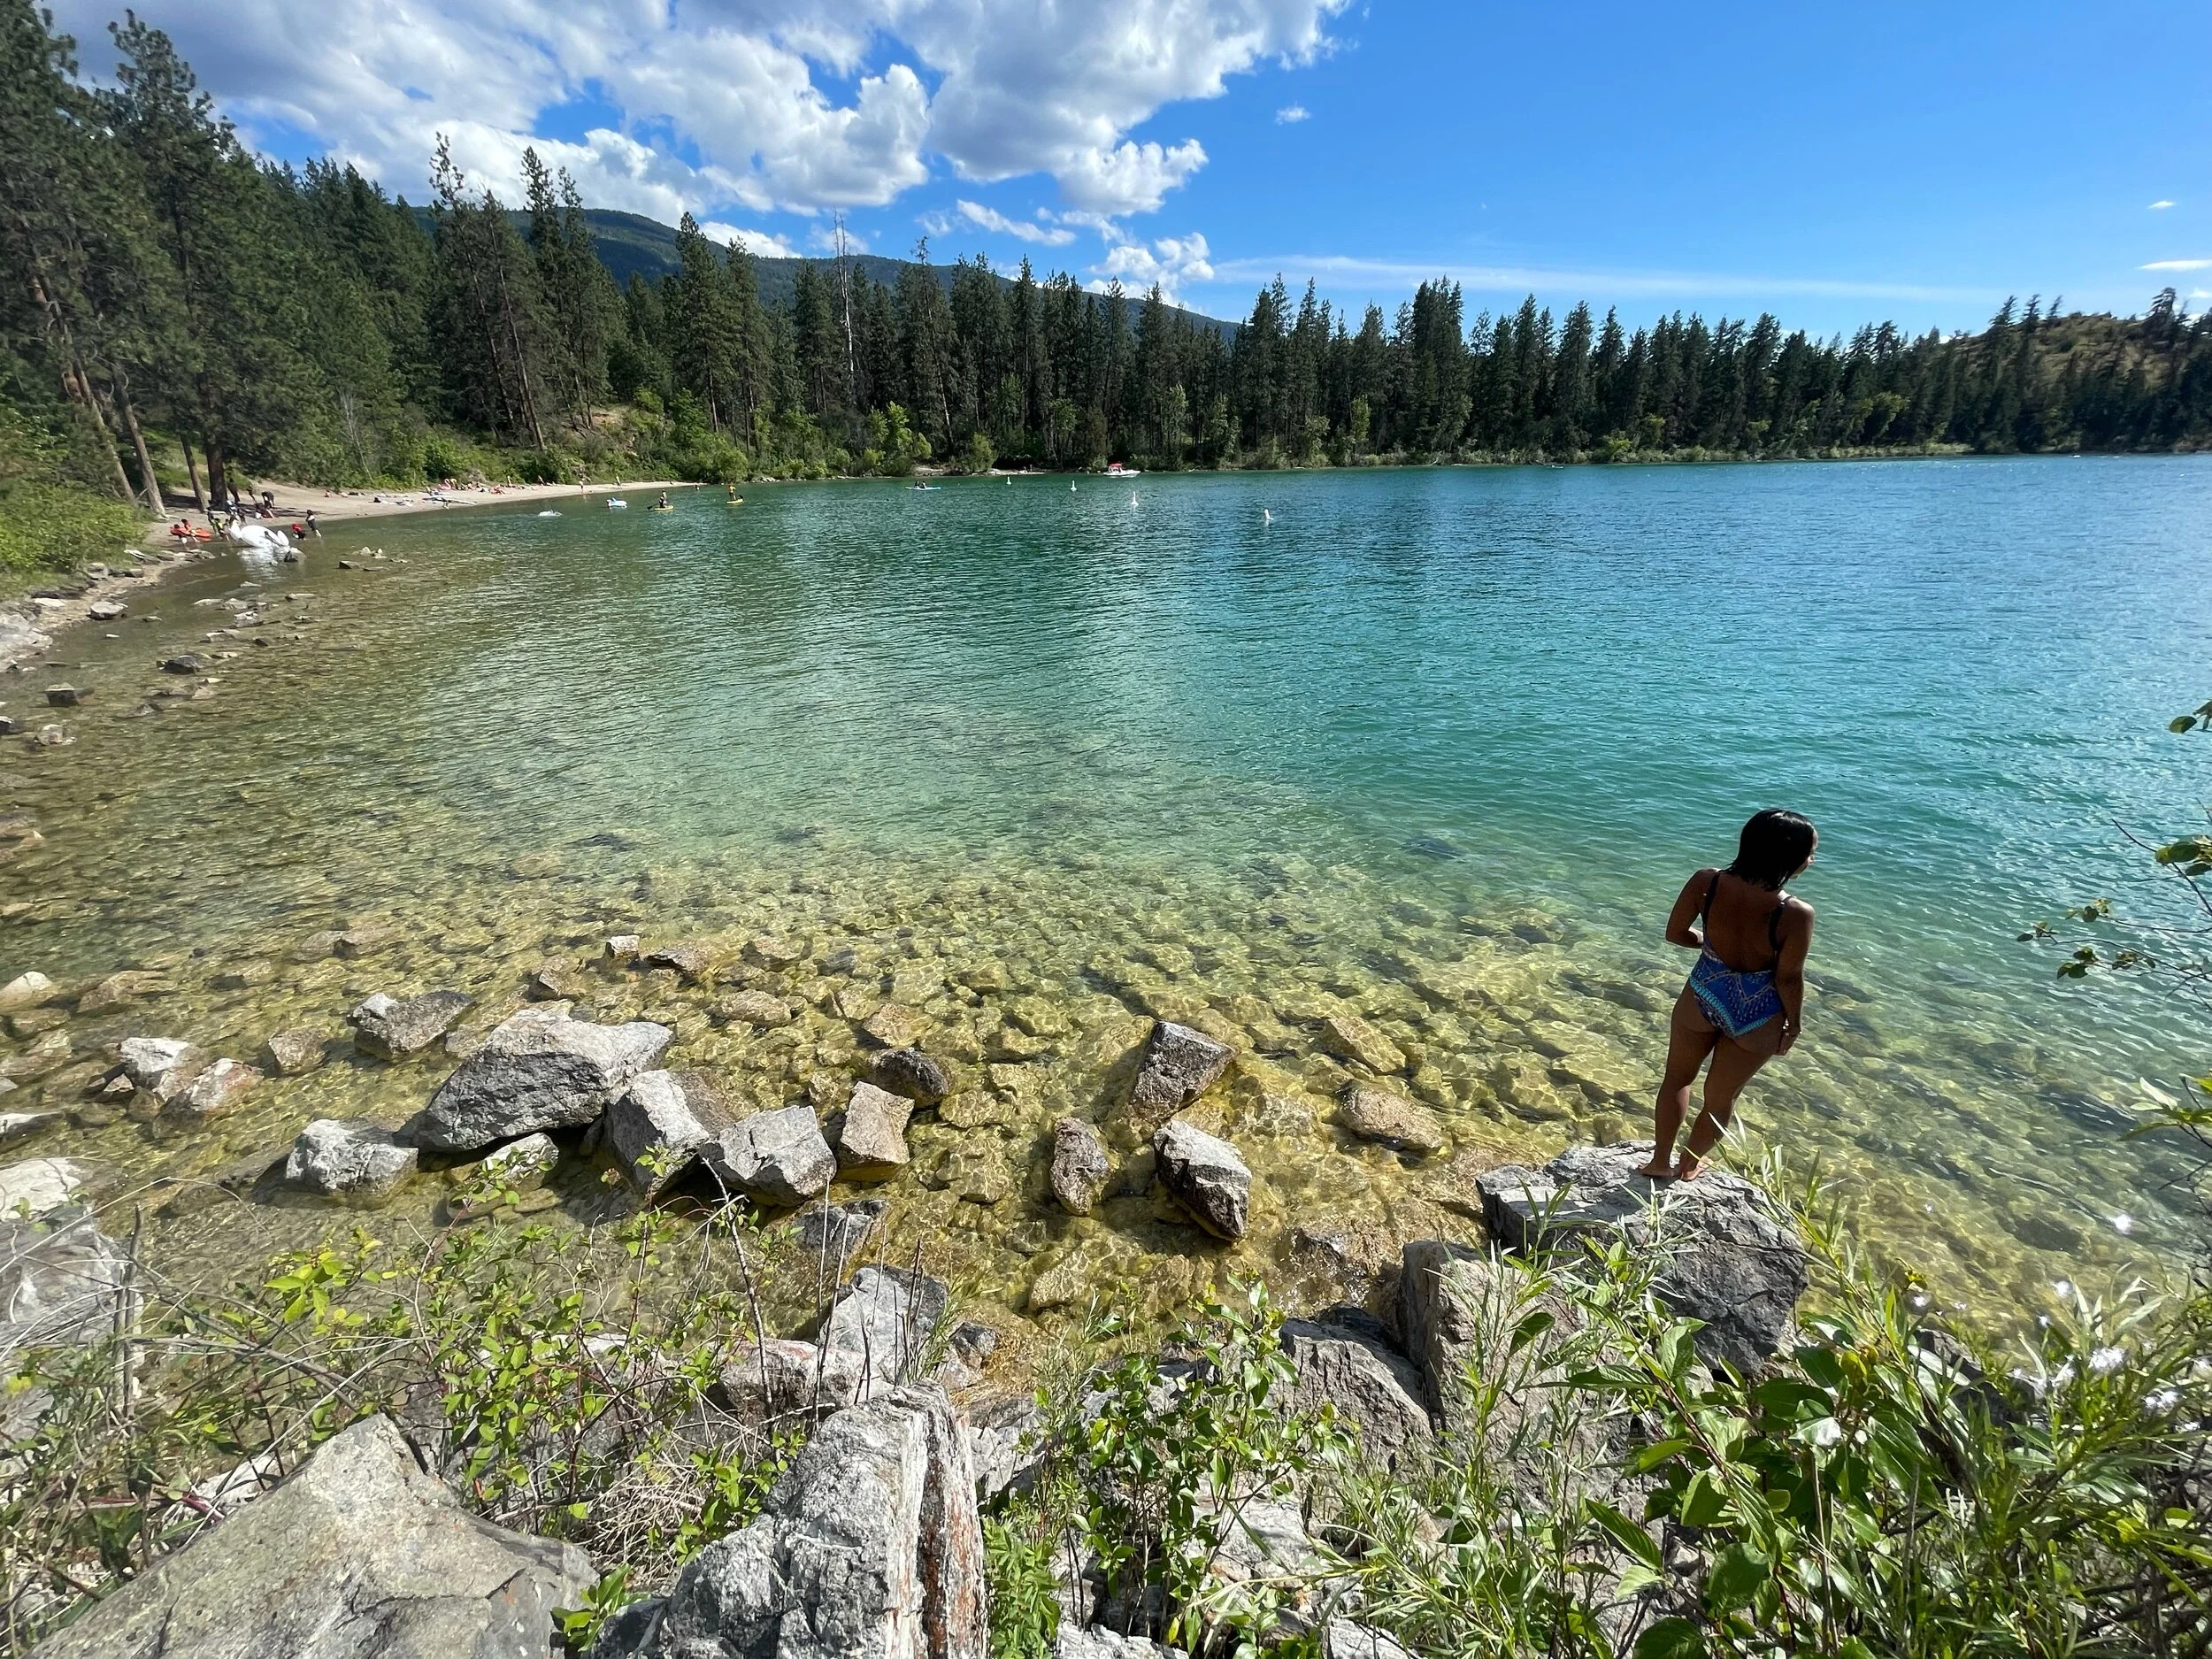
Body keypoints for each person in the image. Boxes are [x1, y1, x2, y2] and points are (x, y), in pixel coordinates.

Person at [1637, 809, 1817, 1182]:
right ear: (1793, 859)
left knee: (1676, 1079)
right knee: (1721, 1098)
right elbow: (1788, 978)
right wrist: (1794, 1023)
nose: (1812, 859)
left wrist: (1707, 943)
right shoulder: (1795, 912)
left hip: (1704, 991)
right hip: (1758, 1010)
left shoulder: (1709, 882)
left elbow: (1675, 934)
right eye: (1810, 852)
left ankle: (1659, 1161)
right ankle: (1689, 1167)